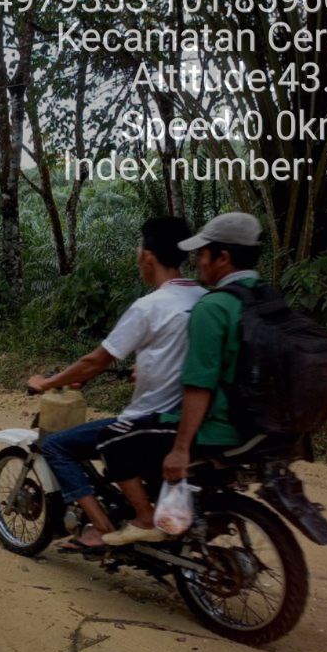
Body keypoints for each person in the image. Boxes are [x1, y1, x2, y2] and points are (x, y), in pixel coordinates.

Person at [28, 218, 204, 551]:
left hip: (149, 420)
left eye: (139, 249)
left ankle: (101, 528)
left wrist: (47, 382)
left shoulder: (150, 306)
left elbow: (96, 361)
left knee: (57, 447)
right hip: (188, 418)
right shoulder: (202, 298)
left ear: (147, 256)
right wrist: (147, 368)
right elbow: (184, 353)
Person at [97, 212, 264, 545]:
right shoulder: (264, 299)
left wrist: (181, 449)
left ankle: (145, 520)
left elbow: (199, 382)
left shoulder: (213, 307)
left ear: (223, 257)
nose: (197, 262)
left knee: (111, 441)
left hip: (219, 425)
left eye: (202, 254)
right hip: (257, 423)